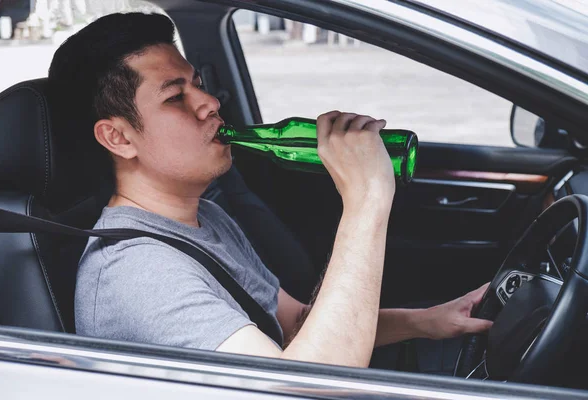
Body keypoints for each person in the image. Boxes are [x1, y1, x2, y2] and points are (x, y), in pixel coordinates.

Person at [48, 12, 492, 370]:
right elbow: (301, 388)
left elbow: (297, 326)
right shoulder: (137, 275)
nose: (209, 102)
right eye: (175, 97)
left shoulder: (204, 215)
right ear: (118, 139)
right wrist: (366, 199)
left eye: (197, 83)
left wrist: (427, 322)